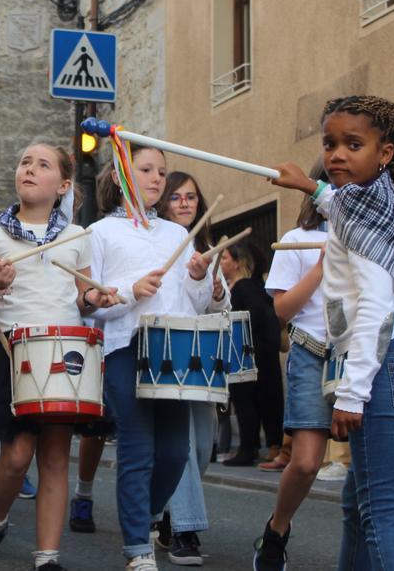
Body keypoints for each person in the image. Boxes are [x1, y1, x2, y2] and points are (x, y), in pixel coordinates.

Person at [269, 95, 394, 569]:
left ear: (384, 154)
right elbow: (336, 204)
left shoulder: (365, 213)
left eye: (353, 144)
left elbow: (373, 310)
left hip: (386, 368)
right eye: (329, 144)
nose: (337, 154)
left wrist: (352, 393)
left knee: (380, 514)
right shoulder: (371, 199)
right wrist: (308, 185)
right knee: (357, 505)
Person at [0, 141, 116, 571]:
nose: (29, 169)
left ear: (63, 184)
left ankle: (47, 557)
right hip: (13, 349)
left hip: (64, 351)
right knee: (14, 455)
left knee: (53, 457)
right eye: (25, 161)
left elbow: (82, 297)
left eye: (43, 165)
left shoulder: (76, 237)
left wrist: (96, 296)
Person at [86, 149, 211, 571]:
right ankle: (138, 547)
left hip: (174, 349)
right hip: (125, 346)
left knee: (176, 454)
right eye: (146, 170)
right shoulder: (100, 232)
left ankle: (148, 515)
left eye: (161, 171)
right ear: (123, 177)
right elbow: (90, 304)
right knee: (138, 450)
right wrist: (128, 291)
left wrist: (198, 279)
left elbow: (195, 304)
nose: (157, 178)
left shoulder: (178, 235)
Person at [147, 170, 232, 565]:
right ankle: (186, 530)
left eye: (191, 197)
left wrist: (215, 293)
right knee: (179, 444)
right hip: (166, 356)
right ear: (163, 202)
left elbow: (221, 310)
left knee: (200, 450)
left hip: (203, 361)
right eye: (176, 197)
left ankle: (166, 515)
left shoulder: (209, 249)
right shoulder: (155, 247)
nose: (185, 203)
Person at [251, 174, 331, 570]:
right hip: (312, 350)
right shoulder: (297, 239)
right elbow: (282, 311)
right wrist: (320, 268)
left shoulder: (369, 236)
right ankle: (277, 528)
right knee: (305, 463)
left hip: (363, 352)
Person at [218, 243, 283, 466]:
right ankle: (261, 445)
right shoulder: (252, 287)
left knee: (247, 401)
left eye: (224, 258)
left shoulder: (244, 288)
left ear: (237, 263)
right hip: (255, 352)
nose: (221, 262)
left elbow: (252, 316)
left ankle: (249, 448)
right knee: (260, 400)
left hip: (248, 354)